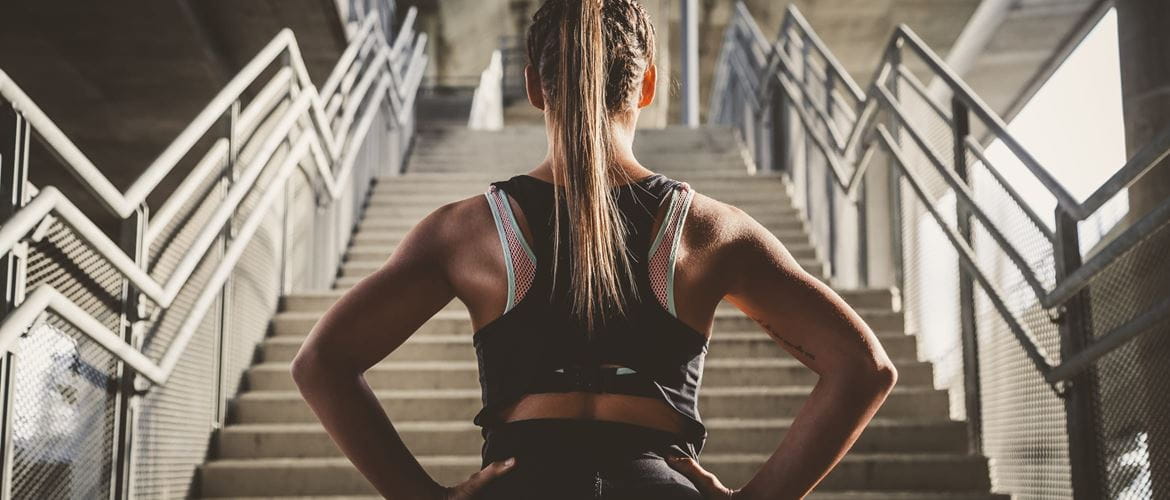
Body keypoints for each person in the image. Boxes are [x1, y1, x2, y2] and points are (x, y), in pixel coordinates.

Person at [289, 0, 898, 498]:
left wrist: (426, 499)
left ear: (533, 84)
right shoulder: (709, 229)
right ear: (648, 86)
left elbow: (320, 363)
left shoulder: (465, 231)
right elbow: (862, 367)